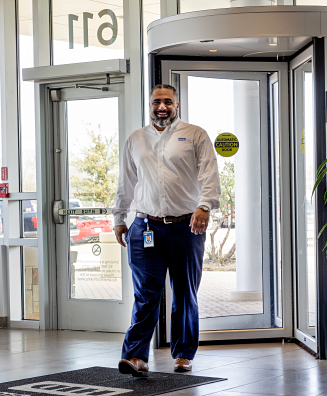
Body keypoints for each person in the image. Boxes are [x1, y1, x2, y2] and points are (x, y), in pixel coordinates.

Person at [113, 84, 221, 376]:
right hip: (145, 226)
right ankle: (136, 356)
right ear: (149, 105)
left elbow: (209, 172)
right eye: (156, 102)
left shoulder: (195, 135)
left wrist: (206, 206)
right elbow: (126, 182)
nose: (162, 107)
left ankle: (184, 353)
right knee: (146, 294)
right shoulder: (136, 139)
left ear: (177, 105)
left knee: (185, 292)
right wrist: (119, 217)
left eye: (168, 102)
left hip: (186, 227)